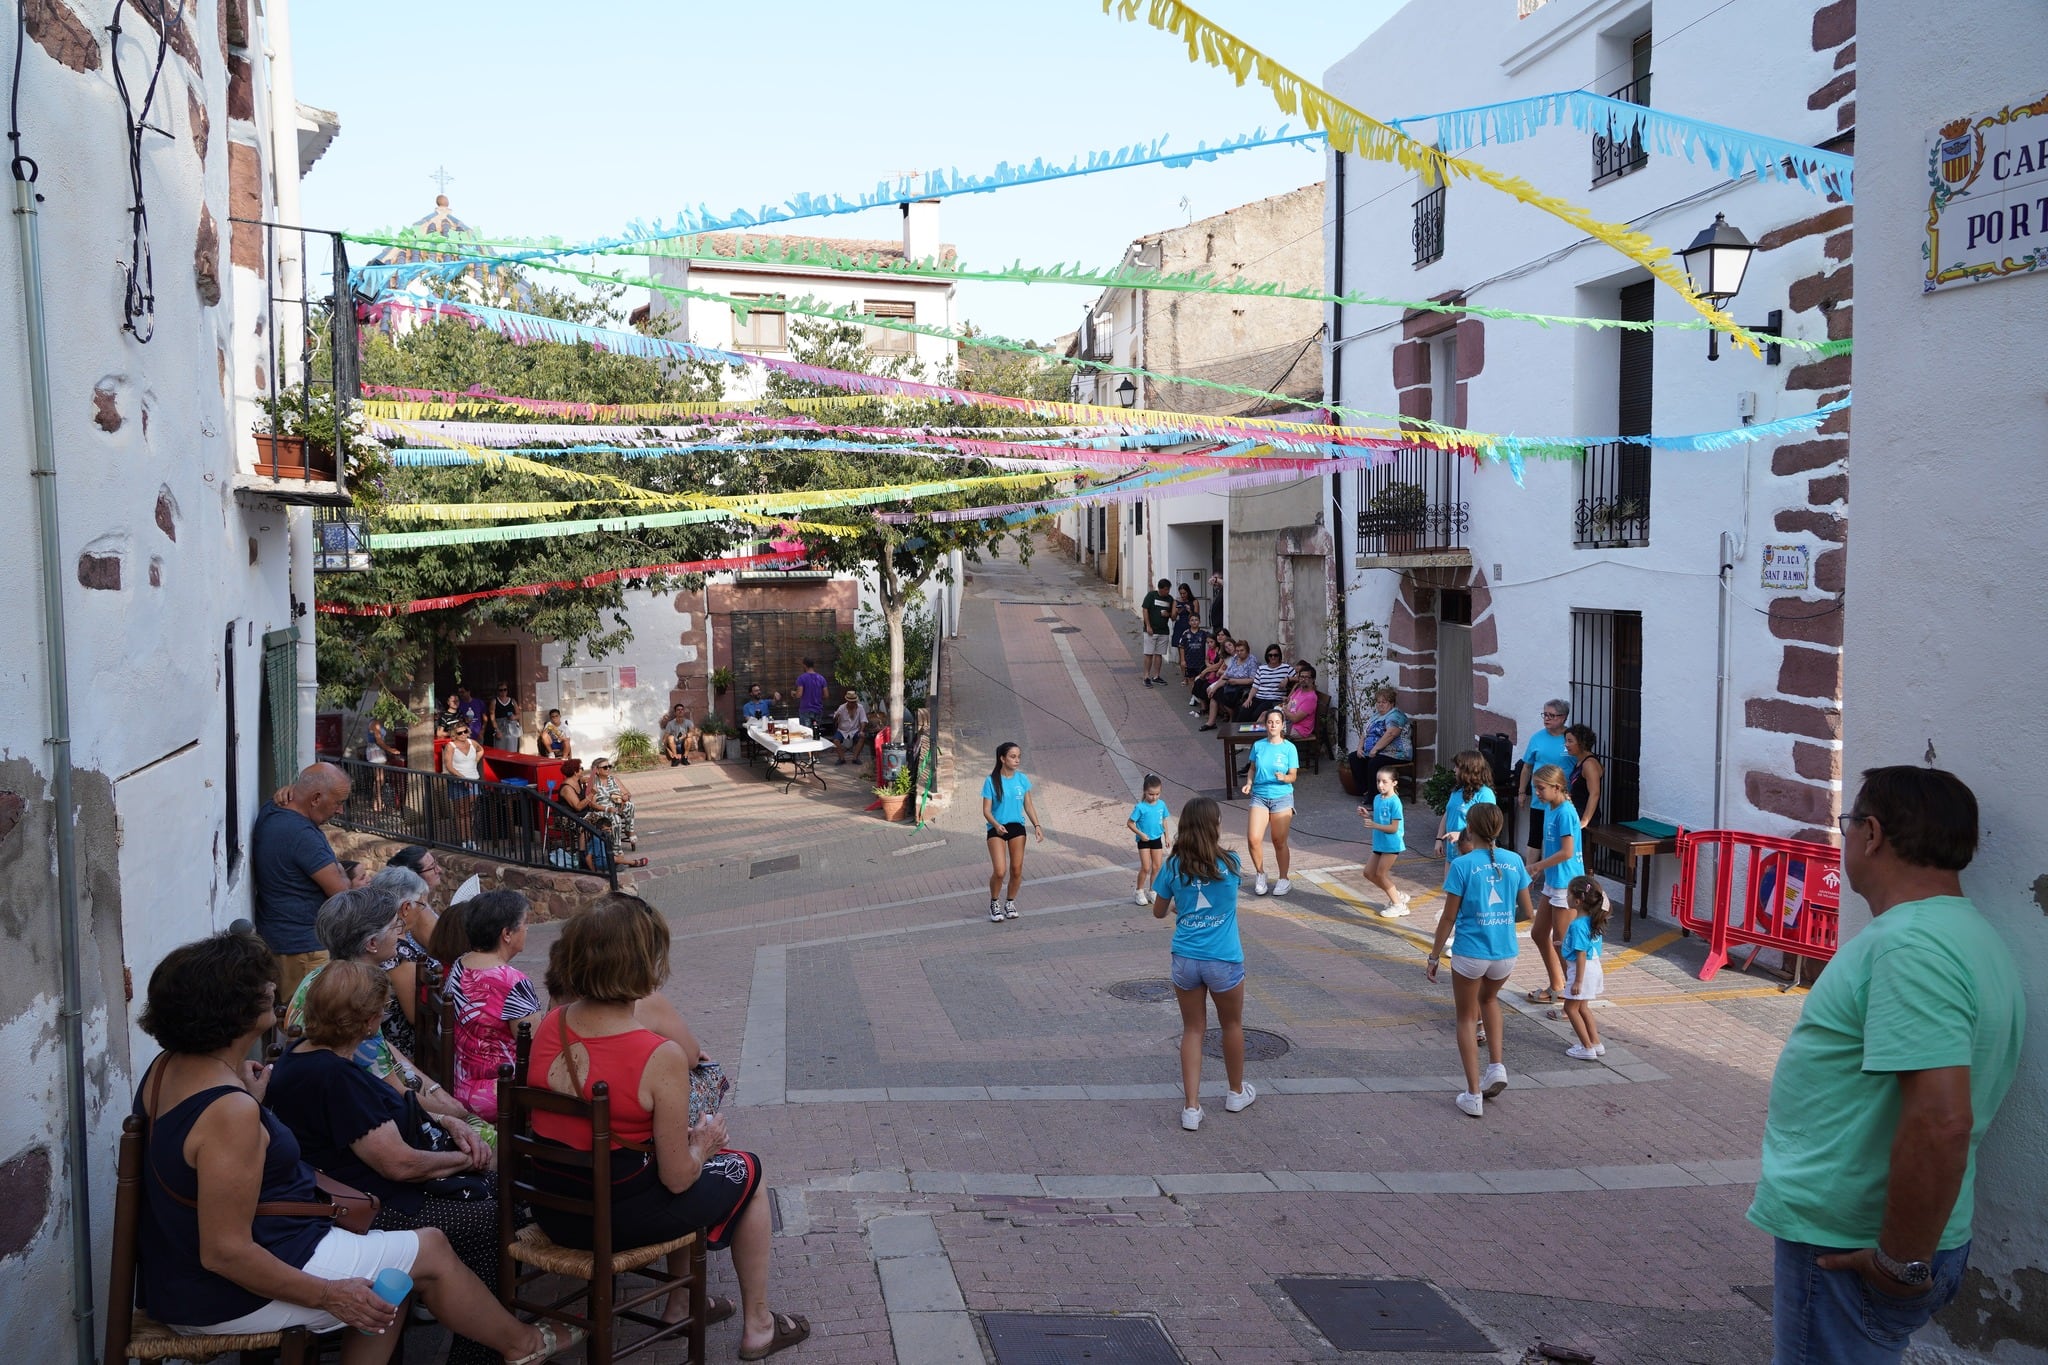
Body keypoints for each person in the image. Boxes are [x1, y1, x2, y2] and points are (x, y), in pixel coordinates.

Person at [132, 932, 579, 1364]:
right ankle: (520, 1343)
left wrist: (251, 1099)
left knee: (393, 1276)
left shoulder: (167, 1070)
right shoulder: (229, 1110)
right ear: (234, 1012)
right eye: (264, 988)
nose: (275, 989)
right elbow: (224, 1251)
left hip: (190, 1274)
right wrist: (330, 1295)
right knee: (427, 1250)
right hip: (222, 1296)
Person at [1750, 767, 2024, 1365]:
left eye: (1847, 825)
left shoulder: (1912, 947)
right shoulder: (1961, 934)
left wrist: (1900, 1262)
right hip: (1877, 1240)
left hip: (1852, 1245)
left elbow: (1941, 1122)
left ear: (1871, 834)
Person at [530, 895, 809, 1359]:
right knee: (746, 1170)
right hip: (615, 1220)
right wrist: (704, 1144)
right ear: (645, 963)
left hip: (556, 1212)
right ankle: (758, 1324)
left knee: (681, 1162)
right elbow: (678, 1177)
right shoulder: (657, 1055)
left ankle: (681, 1302)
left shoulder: (548, 1024)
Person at [268, 963, 508, 1365]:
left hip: (356, 1194)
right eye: (381, 1011)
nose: (383, 1019)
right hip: (368, 1208)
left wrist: (448, 1121)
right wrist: (463, 1159)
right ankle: (478, 1353)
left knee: (498, 1196)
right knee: (490, 1216)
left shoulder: (304, 1056)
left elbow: (395, 1108)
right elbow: (399, 1165)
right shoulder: (334, 1077)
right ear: (366, 1021)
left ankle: (456, 1312)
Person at [285, 888, 487, 1135]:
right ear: (371, 943)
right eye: (395, 927)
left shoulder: (322, 976)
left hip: (347, 1112)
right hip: (361, 1123)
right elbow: (395, 1093)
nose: (400, 933)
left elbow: (383, 1049)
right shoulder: (357, 995)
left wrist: (434, 1089)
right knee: (490, 1142)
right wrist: (455, 1113)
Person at [1151, 796, 1253, 1131]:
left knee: (1193, 1029)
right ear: (1214, 826)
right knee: (1232, 1026)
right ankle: (1236, 1092)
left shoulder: (1172, 865)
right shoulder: (1233, 862)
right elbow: (1223, 896)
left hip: (1185, 958)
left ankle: (1191, 1108)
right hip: (1223, 958)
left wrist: (1183, 908)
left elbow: (1159, 911)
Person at [1425, 804, 1532, 1117]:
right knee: (1490, 1000)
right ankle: (1497, 1066)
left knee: (1466, 1018)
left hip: (1471, 953)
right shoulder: (1515, 861)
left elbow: (1448, 917)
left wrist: (1433, 956)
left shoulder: (1462, 864)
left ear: (1470, 829)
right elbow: (1528, 912)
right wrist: (1499, 920)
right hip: (1506, 954)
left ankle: (1473, 1094)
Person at [252, 763, 352, 1002]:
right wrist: (341, 871)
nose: (340, 810)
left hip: (280, 937)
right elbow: (341, 892)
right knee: (308, 1024)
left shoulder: (273, 808)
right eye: (338, 801)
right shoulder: (303, 836)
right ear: (316, 798)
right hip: (304, 948)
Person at [446, 891, 542, 1122]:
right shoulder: (512, 982)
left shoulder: (460, 964)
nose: (527, 930)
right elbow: (536, 1046)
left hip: (458, 1081)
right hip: (498, 1091)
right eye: (524, 924)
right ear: (507, 934)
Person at [1525, 763, 1585, 1007]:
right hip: (1554, 880)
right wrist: (1542, 869)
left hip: (1566, 884)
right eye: (1535, 788)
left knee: (1561, 941)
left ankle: (1573, 994)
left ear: (1557, 787)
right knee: (1539, 933)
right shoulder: (1550, 807)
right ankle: (1558, 985)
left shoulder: (1566, 813)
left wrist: (1538, 866)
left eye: (1540, 788)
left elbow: (1567, 852)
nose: (1537, 793)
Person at [366, 866, 436, 1062]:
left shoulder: (375, 940)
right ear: (406, 908)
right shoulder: (397, 954)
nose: (423, 912)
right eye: (422, 905)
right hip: (400, 1053)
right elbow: (416, 1017)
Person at [981, 742, 1043, 924]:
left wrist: (1037, 825)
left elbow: (1028, 805)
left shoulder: (1022, 780)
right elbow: (986, 810)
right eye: (1012, 757)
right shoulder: (991, 781)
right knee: (1000, 871)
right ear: (1002, 759)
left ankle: (1009, 902)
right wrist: (996, 824)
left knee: (1016, 869)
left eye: (1018, 757)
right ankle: (994, 902)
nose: (1017, 760)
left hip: (1017, 827)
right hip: (996, 828)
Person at [1240, 708, 1299, 898]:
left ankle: (1283, 879)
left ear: (1283, 725)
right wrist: (1249, 783)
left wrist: (1284, 777)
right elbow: (1252, 768)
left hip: (1282, 797)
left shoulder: (1289, 748)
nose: (1273, 725)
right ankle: (1260, 873)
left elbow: (1293, 776)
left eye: (1276, 722)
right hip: (1259, 795)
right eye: (1269, 722)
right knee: (1253, 838)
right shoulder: (1258, 746)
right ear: (1265, 725)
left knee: (1278, 840)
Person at [1559, 876, 1608, 1060]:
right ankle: (1595, 1042)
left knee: (1571, 1008)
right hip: (1593, 968)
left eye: (1568, 894)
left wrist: (1577, 981)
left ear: (1578, 901)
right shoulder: (1592, 921)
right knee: (1583, 1007)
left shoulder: (1578, 925)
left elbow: (1580, 953)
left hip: (1582, 971)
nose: (1566, 897)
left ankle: (1586, 1047)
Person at [1517, 699, 1575, 851]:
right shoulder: (1537, 738)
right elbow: (1527, 766)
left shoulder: (1570, 739)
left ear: (1563, 717)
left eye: (1551, 715)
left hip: (1562, 798)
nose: (1546, 718)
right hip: (1539, 798)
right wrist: (1522, 792)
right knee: (1535, 837)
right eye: (1545, 714)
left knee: (1558, 838)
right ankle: (1530, 872)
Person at [1361, 765, 1408, 916]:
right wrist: (1367, 814)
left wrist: (1374, 825)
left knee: (1380, 874)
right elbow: (1380, 816)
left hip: (1391, 844)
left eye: (1384, 782)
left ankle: (1398, 905)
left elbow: (1394, 828)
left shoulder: (1395, 802)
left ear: (1394, 783)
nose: (1380, 785)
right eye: (1378, 781)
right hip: (1379, 843)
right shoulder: (1377, 799)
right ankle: (1396, 894)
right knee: (1368, 873)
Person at [1350, 686, 1412, 794]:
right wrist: (1360, 748)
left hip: (1396, 753)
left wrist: (1375, 749)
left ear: (1392, 703)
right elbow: (1364, 734)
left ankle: (1374, 797)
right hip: (1379, 751)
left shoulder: (1396, 715)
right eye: (1378, 702)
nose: (1380, 705)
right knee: (1354, 757)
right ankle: (1365, 790)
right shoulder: (1376, 716)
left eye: (1384, 702)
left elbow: (1391, 734)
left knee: (1374, 762)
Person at [1439, 749, 1498, 862]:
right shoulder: (1457, 790)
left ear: (1468, 769)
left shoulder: (1485, 794)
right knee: (1448, 880)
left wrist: (1461, 835)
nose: (1454, 770)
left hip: (1473, 854)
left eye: (1457, 767)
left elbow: (1489, 825)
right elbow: (1448, 813)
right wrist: (1439, 838)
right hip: (1454, 853)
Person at [1126, 775, 1170, 906]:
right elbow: (1130, 823)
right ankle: (1139, 891)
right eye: (1151, 794)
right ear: (1145, 792)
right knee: (1146, 867)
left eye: (1157, 794)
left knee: (1157, 866)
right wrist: (1141, 834)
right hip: (1144, 840)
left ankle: (1152, 891)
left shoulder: (1162, 805)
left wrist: (1166, 836)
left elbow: (1164, 820)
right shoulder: (1140, 807)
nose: (1154, 797)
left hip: (1157, 839)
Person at [441, 721, 483, 851]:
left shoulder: (472, 743)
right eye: (460, 733)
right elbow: (448, 765)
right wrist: (462, 777)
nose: (463, 734)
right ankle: (464, 840)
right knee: (461, 812)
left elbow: (481, 750)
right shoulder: (451, 746)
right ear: (455, 734)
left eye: (465, 731)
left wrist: (474, 762)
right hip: (458, 781)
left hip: (473, 779)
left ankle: (471, 839)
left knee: (470, 812)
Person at [1199, 639, 1257, 732]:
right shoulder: (1235, 659)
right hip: (1230, 684)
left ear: (1247, 650)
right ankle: (1211, 722)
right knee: (1215, 693)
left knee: (1228, 697)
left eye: (1242, 650)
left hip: (1242, 686)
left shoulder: (1252, 660)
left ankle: (1232, 719)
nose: (1239, 653)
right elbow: (1225, 675)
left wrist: (1236, 681)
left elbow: (1253, 679)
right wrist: (1215, 687)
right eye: (1237, 651)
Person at [590, 757, 641, 852]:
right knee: (616, 818)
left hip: (617, 806)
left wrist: (626, 797)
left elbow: (627, 793)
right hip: (602, 810)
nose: (608, 769)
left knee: (630, 805)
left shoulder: (614, 779)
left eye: (609, 766)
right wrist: (607, 809)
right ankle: (616, 848)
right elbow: (592, 804)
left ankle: (629, 830)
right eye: (605, 767)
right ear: (597, 770)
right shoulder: (593, 783)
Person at [1565, 723, 1604, 829]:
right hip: (1576, 811)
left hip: (1584, 815)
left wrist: (1584, 821)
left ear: (1581, 743)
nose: (1566, 745)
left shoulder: (1589, 764)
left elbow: (1594, 793)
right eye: (1566, 741)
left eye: (1570, 741)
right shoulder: (1580, 761)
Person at [1239, 644, 1293, 722]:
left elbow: (1299, 678)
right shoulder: (1261, 669)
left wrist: (1288, 679)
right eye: (1270, 655)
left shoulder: (1286, 668)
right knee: (1243, 711)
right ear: (1267, 656)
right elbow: (1255, 687)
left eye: (1275, 655)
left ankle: (1253, 733)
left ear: (1279, 656)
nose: (1273, 657)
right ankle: (1242, 733)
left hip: (1273, 700)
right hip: (1258, 698)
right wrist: (1249, 699)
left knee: (1256, 715)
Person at [1139, 578, 1176, 686]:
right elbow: (1145, 610)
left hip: (1163, 631)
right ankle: (1146, 676)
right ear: (1160, 589)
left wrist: (1168, 614)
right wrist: (1148, 626)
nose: (1167, 592)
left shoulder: (1170, 599)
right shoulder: (1151, 596)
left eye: (1168, 589)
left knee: (1159, 654)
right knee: (1149, 653)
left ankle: (1156, 676)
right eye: (1165, 589)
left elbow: (1173, 615)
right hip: (1151, 630)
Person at [362, 715, 400, 813]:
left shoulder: (376, 722)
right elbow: (379, 741)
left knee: (379, 779)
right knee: (380, 779)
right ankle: (378, 802)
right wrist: (390, 750)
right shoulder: (376, 723)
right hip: (376, 751)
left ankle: (377, 801)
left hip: (376, 751)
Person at [1178, 619, 1213, 709]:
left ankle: (1200, 697)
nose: (1194, 622)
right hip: (1189, 661)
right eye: (1192, 620)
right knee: (1191, 679)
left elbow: (1212, 641)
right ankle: (1193, 696)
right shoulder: (1186, 633)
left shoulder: (1203, 633)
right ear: (1189, 622)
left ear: (1199, 622)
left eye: (1196, 620)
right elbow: (1181, 647)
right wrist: (1182, 660)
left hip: (1200, 662)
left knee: (1200, 679)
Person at [1281, 663, 1319, 745]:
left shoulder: (1310, 698)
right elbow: (1290, 705)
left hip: (1299, 729)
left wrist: (1283, 710)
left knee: (1271, 730)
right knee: (1265, 716)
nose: (1303, 679)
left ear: (1313, 679)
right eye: (1301, 677)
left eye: (1306, 677)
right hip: (1289, 722)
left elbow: (1295, 718)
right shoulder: (1299, 690)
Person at [830, 690, 867, 765]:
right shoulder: (842, 707)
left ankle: (855, 758)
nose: (852, 703)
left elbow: (863, 720)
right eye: (850, 702)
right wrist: (836, 717)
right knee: (835, 740)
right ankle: (841, 758)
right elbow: (835, 719)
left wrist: (861, 731)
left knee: (862, 737)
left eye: (854, 702)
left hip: (854, 730)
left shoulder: (860, 707)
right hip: (842, 730)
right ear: (847, 701)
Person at [794, 659, 828, 732]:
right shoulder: (821, 678)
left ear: (805, 665)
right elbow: (826, 695)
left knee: (806, 733)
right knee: (816, 733)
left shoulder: (801, 678)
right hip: (818, 710)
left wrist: (794, 694)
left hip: (805, 710)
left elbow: (799, 695)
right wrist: (817, 696)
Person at [488, 683, 521, 752]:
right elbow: (492, 717)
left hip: (511, 728)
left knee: (512, 750)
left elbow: (518, 715)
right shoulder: (494, 701)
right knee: (500, 750)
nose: (503, 692)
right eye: (501, 690)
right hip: (500, 727)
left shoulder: (512, 701)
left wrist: (514, 717)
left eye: (505, 690)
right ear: (498, 691)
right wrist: (496, 730)